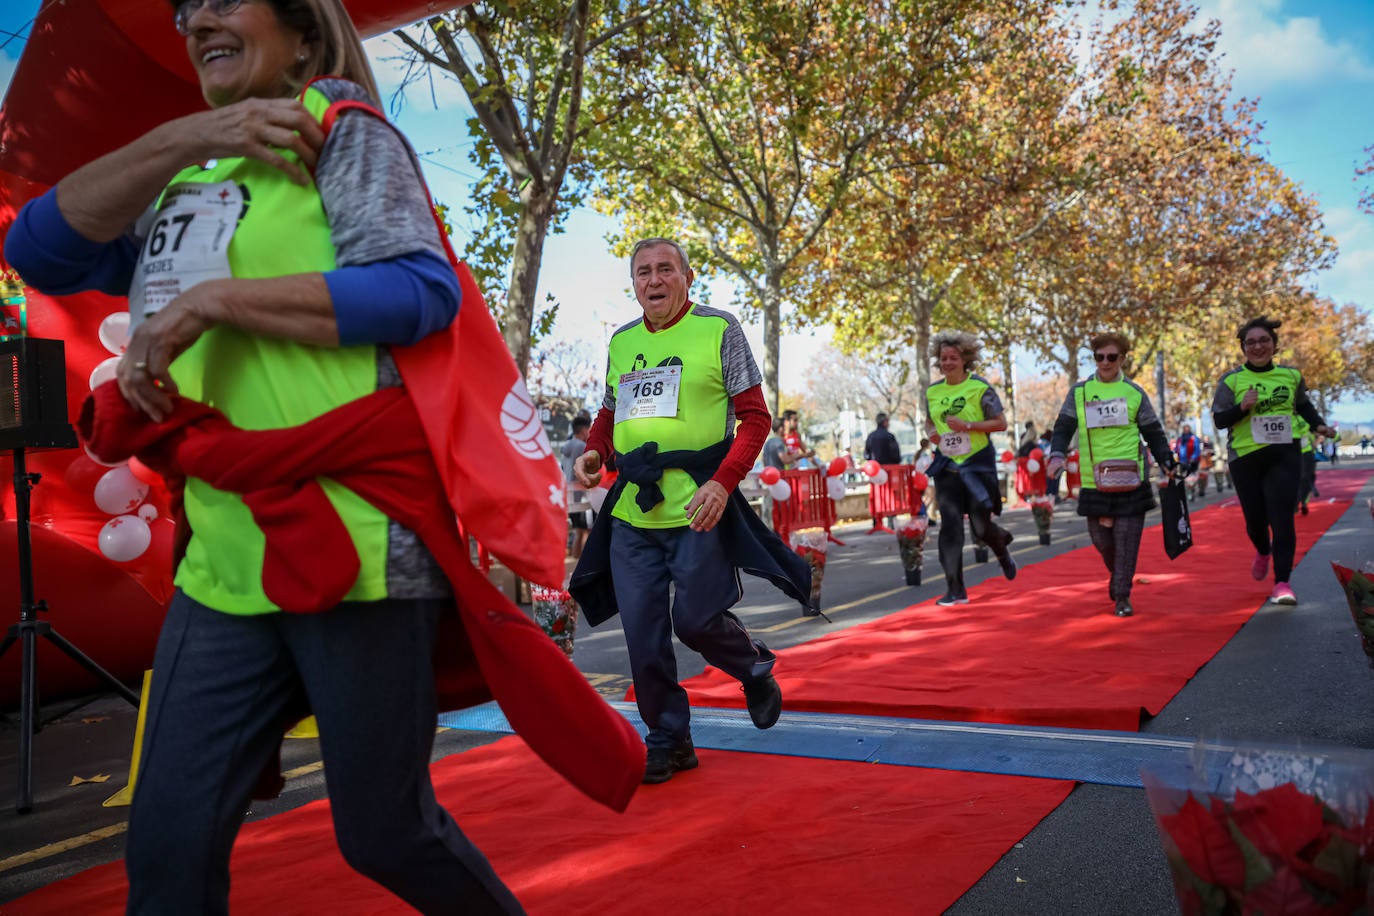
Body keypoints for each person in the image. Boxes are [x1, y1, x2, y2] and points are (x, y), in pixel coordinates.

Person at [4, 1, 530, 911]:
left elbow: (418, 292)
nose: (195, 17)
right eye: (184, 7)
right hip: (221, 564)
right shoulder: (187, 176)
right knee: (166, 845)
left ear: (303, 29)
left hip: (356, 555)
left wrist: (212, 307)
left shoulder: (345, 136)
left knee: (387, 834)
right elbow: (35, 248)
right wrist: (181, 137)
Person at [569, 238, 809, 784]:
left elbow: (755, 418)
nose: (653, 281)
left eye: (664, 270)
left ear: (687, 277)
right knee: (643, 636)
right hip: (634, 510)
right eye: (643, 273)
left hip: (699, 504)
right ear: (633, 284)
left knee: (696, 621)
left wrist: (724, 483)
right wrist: (594, 453)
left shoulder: (719, 330)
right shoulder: (622, 340)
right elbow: (610, 411)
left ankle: (753, 668)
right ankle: (669, 739)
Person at [1046, 333, 1176, 618]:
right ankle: (1120, 575)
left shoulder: (1134, 393)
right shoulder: (1079, 393)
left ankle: (1122, 595)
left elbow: (1153, 431)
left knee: (1127, 539)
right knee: (1101, 539)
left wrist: (1167, 459)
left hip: (1131, 478)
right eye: (1099, 357)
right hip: (1094, 481)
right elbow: (1063, 427)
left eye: (1112, 357)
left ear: (1122, 359)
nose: (1105, 362)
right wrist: (1057, 454)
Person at [1212, 317, 1334, 605]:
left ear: (1274, 345)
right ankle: (1263, 550)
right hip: (1245, 457)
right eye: (1251, 342)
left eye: (1264, 340)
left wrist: (1319, 426)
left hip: (1285, 454)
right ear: (1243, 348)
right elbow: (1219, 420)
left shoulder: (1291, 377)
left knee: (1282, 519)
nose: (1258, 346)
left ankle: (1282, 583)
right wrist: (1242, 408)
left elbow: (1304, 407)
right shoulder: (1231, 381)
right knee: (1255, 520)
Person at [924, 331, 1017, 606]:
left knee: (980, 527)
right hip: (948, 466)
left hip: (977, 465)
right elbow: (931, 421)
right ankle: (955, 589)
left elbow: (1000, 423)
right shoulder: (933, 391)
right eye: (943, 359)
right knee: (950, 528)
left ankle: (1000, 545)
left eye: (953, 358)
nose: (948, 363)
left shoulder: (979, 387)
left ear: (965, 359)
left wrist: (968, 426)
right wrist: (932, 434)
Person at [562, 413, 593, 558]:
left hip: (569, 494)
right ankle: (582, 565)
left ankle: (575, 563)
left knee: (578, 531)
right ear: (584, 431)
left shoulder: (565, 446)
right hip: (581, 495)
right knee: (586, 531)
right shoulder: (582, 446)